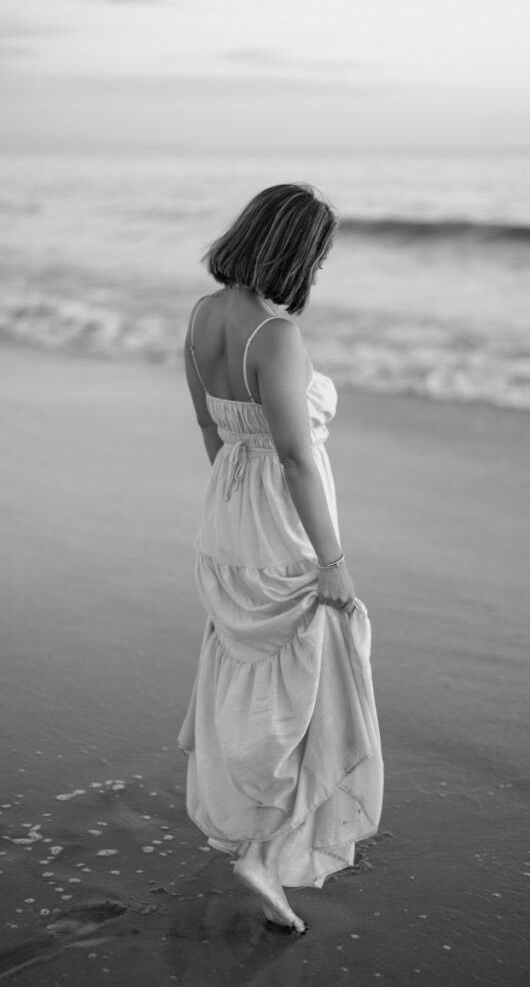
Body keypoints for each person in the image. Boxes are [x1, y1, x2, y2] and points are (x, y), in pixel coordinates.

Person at [178, 183, 383, 934]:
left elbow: (210, 426)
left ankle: (254, 830)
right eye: (318, 256)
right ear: (296, 251)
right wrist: (331, 561)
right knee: (312, 675)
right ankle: (264, 850)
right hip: (282, 524)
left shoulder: (203, 316)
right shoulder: (277, 335)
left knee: (250, 673)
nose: (319, 270)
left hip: (228, 513)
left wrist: (233, 507)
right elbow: (296, 455)